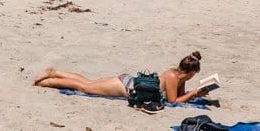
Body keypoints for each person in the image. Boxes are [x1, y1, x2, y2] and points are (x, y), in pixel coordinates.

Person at [32, 51, 206, 103]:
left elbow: (179, 95)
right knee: (84, 87)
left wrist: (193, 94)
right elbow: (173, 101)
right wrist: (193, 94)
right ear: (191, 72)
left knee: (87, 82)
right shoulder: (172, 76)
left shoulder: (177, 77)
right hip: (126, 87)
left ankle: (55, 73)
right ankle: (48, 80)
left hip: (128, 81)